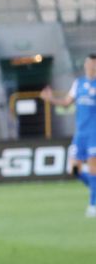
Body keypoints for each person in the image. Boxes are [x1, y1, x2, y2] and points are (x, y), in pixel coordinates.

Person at [41, 53, 96, 217]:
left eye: (93, 63)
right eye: (89, 63)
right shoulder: (78, 83)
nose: (90, 66)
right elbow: (66, 103)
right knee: (73, 169)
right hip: (80, 133)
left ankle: (93, 205)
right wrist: (51, 99)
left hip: (94, 133)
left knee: (93, 168)